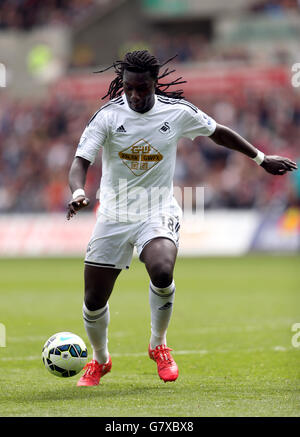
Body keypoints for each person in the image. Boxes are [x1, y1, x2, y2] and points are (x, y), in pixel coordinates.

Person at [66, 50, 297, 387]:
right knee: (93, 299)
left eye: (141, 88)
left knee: (162, 269)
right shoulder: (106, 116)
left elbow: (218, 132)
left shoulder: (176, 113)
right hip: (114, 215)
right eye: (129, 88)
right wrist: (77, 192)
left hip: (156, 210)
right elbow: (80, 162)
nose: (134, 95)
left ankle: (158, 344)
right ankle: (100, 359)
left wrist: (261, 158)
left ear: (154, 84)